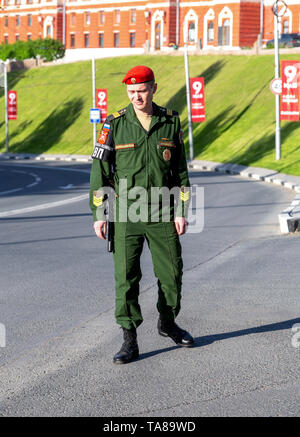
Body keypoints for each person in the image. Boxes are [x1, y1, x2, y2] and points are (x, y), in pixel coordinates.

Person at [89, 65, 194, 364]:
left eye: (142, 91)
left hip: (162, 211)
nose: (136, 97)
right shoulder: (113, 125)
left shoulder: (170, 122)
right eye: (131, 92)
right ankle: (129, 339)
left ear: (154, 88)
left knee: (172, 274)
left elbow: (181, 173)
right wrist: (99, 211)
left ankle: (167, 322)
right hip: (125, 214)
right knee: (126, 279)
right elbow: (99, 172)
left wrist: (182, 209)